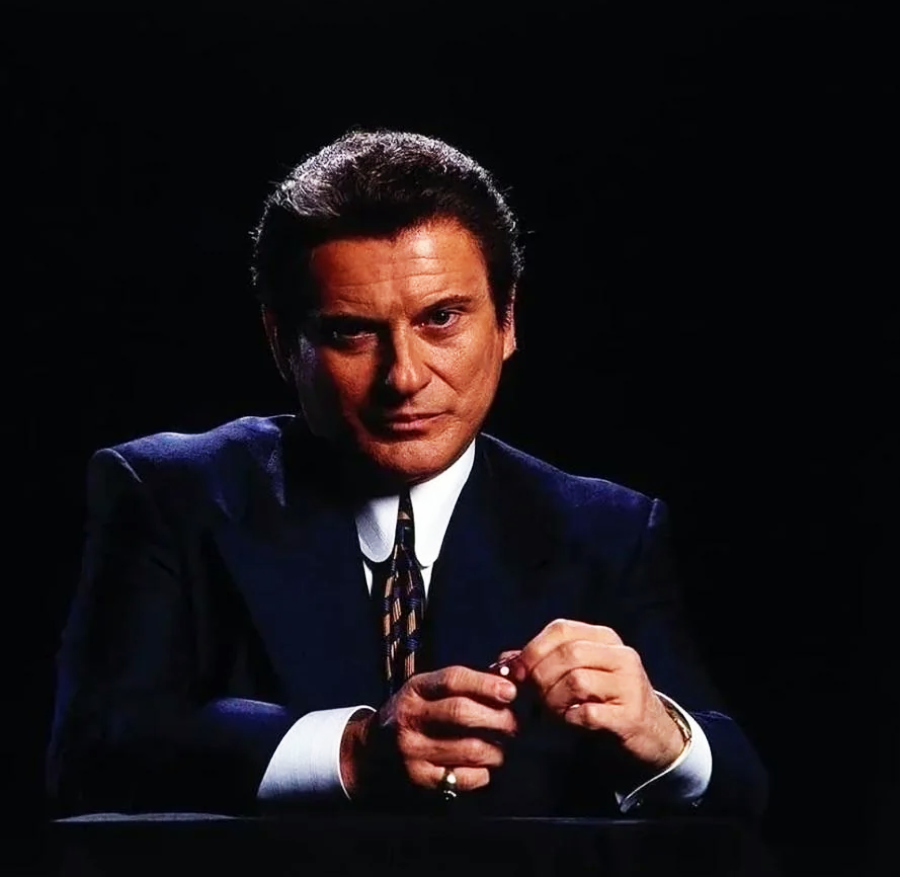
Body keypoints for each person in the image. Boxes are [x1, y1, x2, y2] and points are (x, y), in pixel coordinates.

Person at [47, 130, 768, 820]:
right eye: (350, 331)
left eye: (442, 318)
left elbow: (737, 778)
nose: (405, 376)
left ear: (507, 320)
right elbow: (92, 751)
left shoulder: (608, 528)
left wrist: (660, 734)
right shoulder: (169, 494)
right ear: (280, 341)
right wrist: (354, 752)